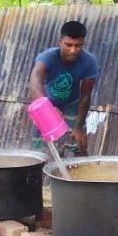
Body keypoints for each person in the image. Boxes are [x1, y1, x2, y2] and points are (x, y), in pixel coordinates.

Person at [28, 21, 99, 157]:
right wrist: (47, 108)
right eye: (68, 45)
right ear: (60, 41)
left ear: (83, 43)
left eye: (78, 45)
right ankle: (43, 176)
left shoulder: (89, 61)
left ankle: (83, 176)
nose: (73, 50)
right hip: (47, 102)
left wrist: (78, 128)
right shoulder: (47, 57)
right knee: (42, 152)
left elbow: (85, 96)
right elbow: (34, 82)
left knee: (79, 146)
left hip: (72, 103)